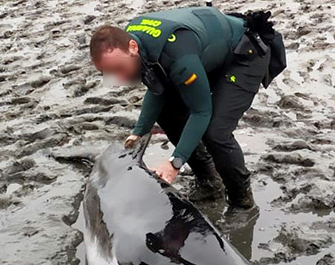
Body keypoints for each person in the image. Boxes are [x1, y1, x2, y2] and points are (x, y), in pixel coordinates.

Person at [89, 7, 285, 225]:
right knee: (167, 112)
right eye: (110, 73)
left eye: (119, 69)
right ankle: (210, 182)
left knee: (215, 131)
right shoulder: (135, 46)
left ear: (132, 47)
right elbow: (157, 89)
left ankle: (243, 204)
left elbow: (201, 111)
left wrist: (175, 162)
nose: (121, 78)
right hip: (207, 55)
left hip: (245, 55)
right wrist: (139, 131)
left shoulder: (177, 57)